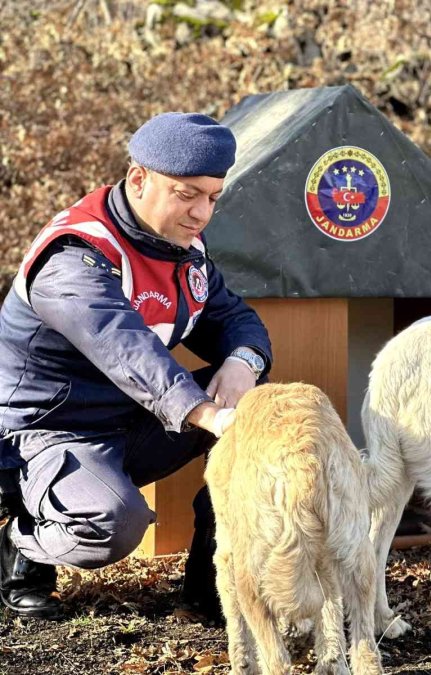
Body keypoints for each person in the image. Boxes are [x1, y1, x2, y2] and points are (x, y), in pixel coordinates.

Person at [0, 112, 272, 619]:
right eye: (187, 194)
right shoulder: (73, 254)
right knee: (113, 524)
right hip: (51, 431)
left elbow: (232, 316)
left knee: (254, 402)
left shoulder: (181, 245)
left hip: (133, 418)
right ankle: (21, 538)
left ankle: (215, 580)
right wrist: (209, 415)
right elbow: (126, 350)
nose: (201, 213)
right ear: (139, 178)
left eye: (213, 197)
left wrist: (243, 362)